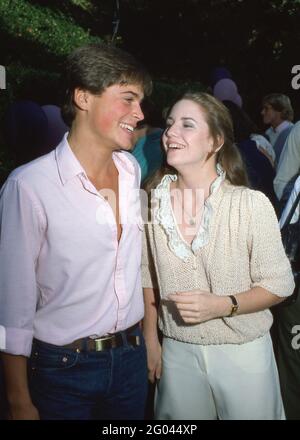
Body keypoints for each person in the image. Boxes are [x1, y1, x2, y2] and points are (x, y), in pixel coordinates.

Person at [0, 43, 152, 420]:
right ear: (83, 97)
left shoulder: (131, 170)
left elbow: (138, 263)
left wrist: (150, 338)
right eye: (128, 100)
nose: (140, 113)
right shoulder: (29, 186)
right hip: (63, 369)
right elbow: (11, 306)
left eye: (141, 102)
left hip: (131, 361)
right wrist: (18, 399)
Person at [142, 92, 294, 420]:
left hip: (243, 353)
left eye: (187, 125)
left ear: (215, 141)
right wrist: (150, 339)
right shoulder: (151, 203)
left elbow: (281, 284)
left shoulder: (249, 204)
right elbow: (146, 274)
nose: (170, 133)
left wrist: (223, 304)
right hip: (178, 351)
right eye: (169, 125)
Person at [261, 93, 294, 167]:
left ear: (279, 110)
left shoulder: (293, 134)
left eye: (266, 109)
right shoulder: (268, 132)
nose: (262, 112)